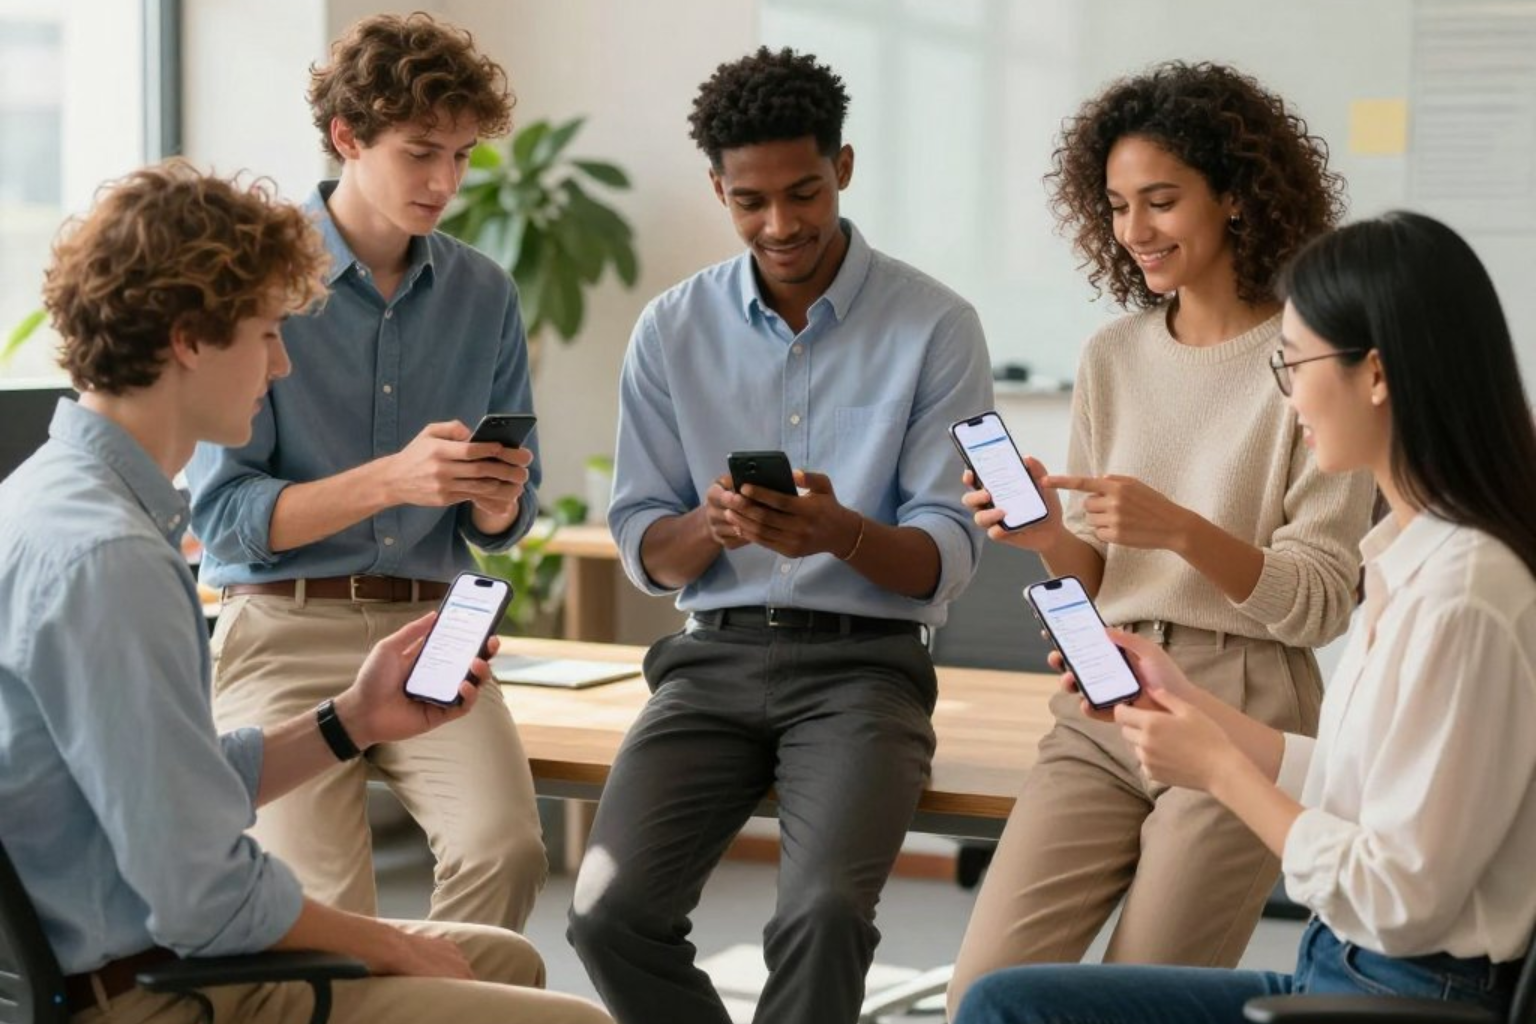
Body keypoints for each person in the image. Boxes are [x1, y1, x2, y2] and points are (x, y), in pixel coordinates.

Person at [0, 161, 610, 1024]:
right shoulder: (112, 562)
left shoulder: (48, 497)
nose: (283, 363)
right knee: (579, 1020)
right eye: (266, 333)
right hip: (150, 993)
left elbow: (179, 786)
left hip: (142, 954)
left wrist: (349, 719)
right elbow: (201, 894)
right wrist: (387, 946)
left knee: (502, 953)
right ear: (189, 338)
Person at [955, 209, 1536, 1022]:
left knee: (1020, 1010)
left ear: (1376, 375)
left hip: (1395, 988)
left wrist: (1220, 771)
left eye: (1295, 364)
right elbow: (1352, 786)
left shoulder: (1462, 596)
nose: (1288, 391)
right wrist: (1195, 712)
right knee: (996, 1000)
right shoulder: (1409, 561)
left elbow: (1401, 897)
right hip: (1345, 967)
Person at [564, 47, 993, 1024]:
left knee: (823, 913)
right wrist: (710, 528)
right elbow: (641, 537)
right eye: (750, 200)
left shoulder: (938, 326)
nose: (781, 224)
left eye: (803, 192)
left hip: (866, 669)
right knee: (604, 912)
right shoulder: (670, 328)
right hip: (710, 663)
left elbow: (949, 554)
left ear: (842, 166)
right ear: (718, 189)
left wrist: (839, 531)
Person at [948, 61, 1380, 1011]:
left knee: (1135, 1002)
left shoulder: (1314, 361)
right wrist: (1040, 538)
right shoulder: (1112, 354)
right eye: (1114, 206)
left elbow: (1314, 603)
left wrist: (1180, 529)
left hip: (1248, 700)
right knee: (981, 996)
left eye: (1161, 201)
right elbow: (1099, 571)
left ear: (1235, 197)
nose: (1134, 232)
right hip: (1103, 696)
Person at [185, 12, 546, 930]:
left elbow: (504, 518)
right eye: (421, 151)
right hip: (283, 627)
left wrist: (499, 504)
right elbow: (224, 518)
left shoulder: (485, 292)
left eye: (463, 157)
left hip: (433, 624)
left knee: (505, 847)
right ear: (348, 136)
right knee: (324, 905)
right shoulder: (258, 278)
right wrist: (392, 480)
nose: (445, 181)